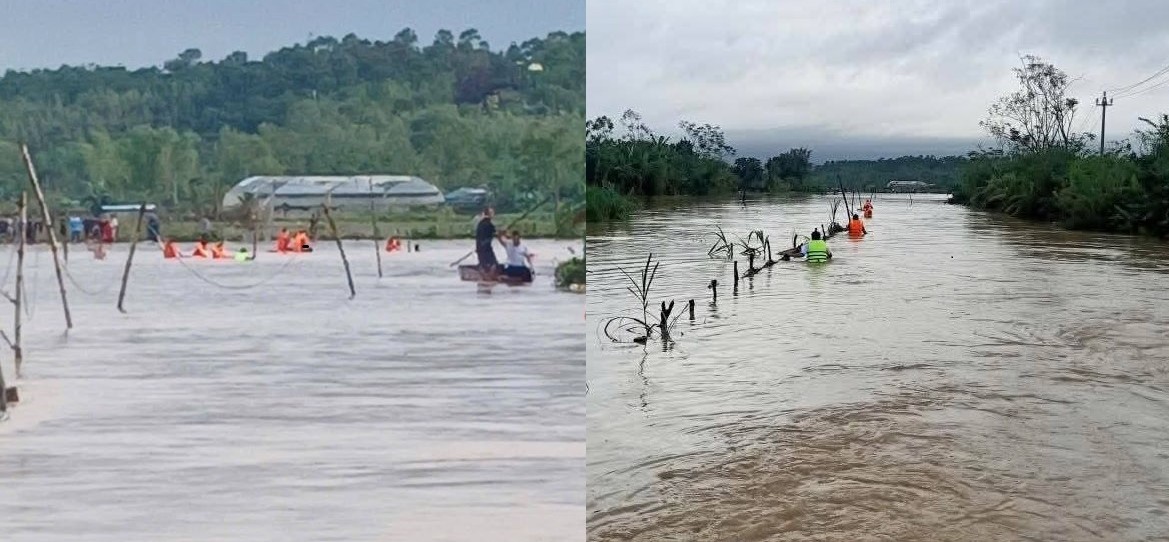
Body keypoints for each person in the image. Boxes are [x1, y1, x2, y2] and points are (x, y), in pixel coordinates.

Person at [475, 207, 501, 278]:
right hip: (486, 249)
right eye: (492, 213)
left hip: (479, 248)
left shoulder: (480, 224)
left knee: (483, 265)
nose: (493, 214)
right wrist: (502, 232)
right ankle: (490, 278)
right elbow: (496, 234)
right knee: (494, 264)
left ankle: (484, 278)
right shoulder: (489, 224)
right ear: (489, 214)